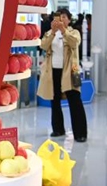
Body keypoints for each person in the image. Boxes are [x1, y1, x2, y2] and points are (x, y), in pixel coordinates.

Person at [38, 9, 88, 142]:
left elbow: (74, 43)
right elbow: (43, 45)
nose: (60, 20)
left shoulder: (73, 32)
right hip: (53, 71)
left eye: (63, 17)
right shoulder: (50, 33)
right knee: (54, 100)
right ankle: (58, 129)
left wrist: (63, 31)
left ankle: (80, 133)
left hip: (70, 71)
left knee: (75, 101)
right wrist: (54, 33)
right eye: (57, 18)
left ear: (69, 20)